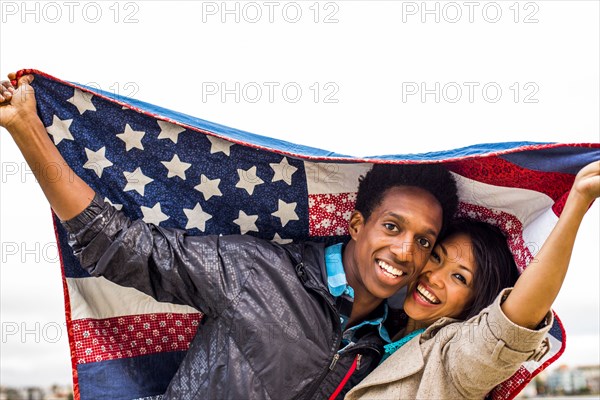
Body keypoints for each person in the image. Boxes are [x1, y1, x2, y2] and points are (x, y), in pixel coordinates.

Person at [0, 73, 458, 399]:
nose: (404, 250)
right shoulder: (255, 271)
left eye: (424, 240)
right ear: (358, 225)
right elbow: (116, 245)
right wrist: (26, 130)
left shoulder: (386, 347)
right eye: (393, 227)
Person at [345, 159, 600, 400]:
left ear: (476, 302)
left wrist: (577, 200)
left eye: (459, 277)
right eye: (435, 256)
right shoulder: (377, 327)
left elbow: (513, 323)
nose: (433, 277)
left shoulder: (456, 358)